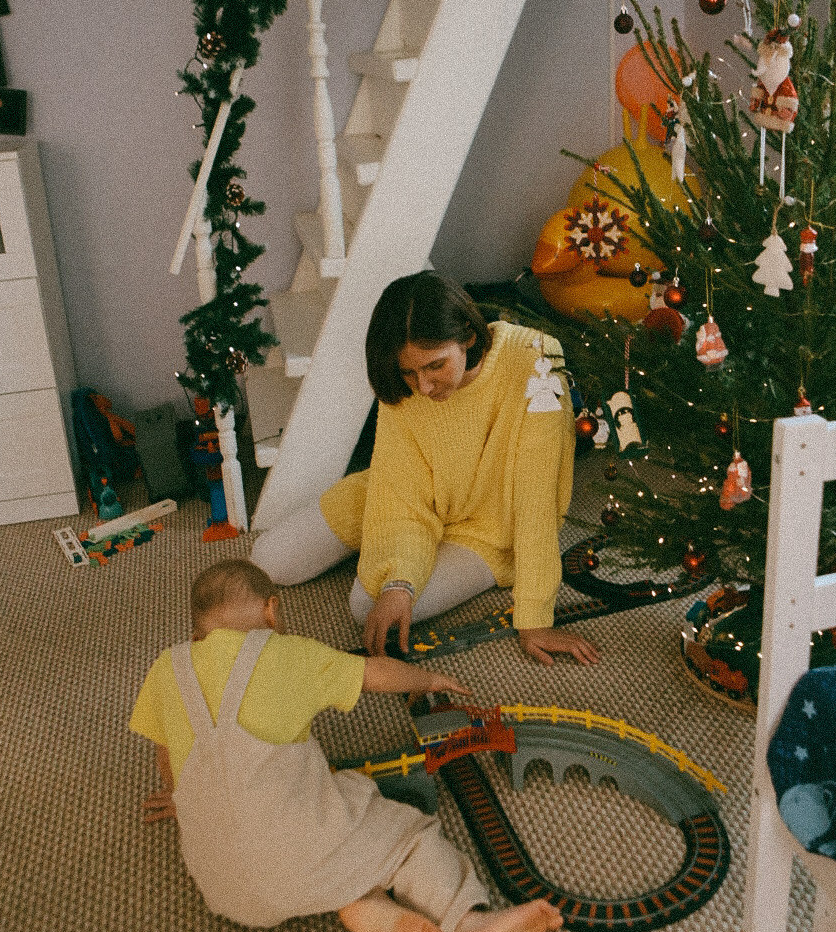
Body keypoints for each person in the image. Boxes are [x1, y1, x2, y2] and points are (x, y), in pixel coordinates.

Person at [131, 558, 563, 932]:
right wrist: (427, 678)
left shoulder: (167, 668)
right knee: (403, 833)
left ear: (196, 633)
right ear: (271, 612)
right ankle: (469, 923)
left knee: (330, 841)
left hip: (222, 889)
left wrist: (178, 797)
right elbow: (374, 673)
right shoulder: (287, 653)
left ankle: (366, 909)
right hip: (296, 857)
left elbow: (165, 747)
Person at [251, 272, 600, 669]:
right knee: (269, 559)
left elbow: (538, 501)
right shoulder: (407, 383)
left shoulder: (535, 360)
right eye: (409, 373)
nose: (425, 387)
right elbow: (401, 488)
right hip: (407, 488)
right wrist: (401, 578)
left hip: (487, 527)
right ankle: (392, 548)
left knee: (367, 608)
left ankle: (388, 551)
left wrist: (535, 618)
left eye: (435, 366)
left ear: (468, 337)